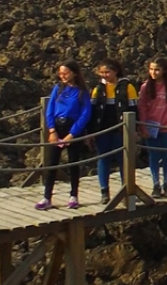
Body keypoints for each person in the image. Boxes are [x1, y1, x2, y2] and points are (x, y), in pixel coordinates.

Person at [35, 61, 92, 210]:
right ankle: (47, 197)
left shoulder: (82, 92)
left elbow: (85, 114)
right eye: (60, 73)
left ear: (74, 73)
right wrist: (52, 130)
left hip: (73, 128)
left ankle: (74, 195)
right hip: (58, 127)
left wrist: (72, 134)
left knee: (73, 163)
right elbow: (50, 110)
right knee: (52, 163)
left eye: (65, 73)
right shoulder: (58, 89)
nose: (63, 76)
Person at [89, 59, 139, 205]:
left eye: (107, 72)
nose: (104, 75)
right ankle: (104, 191)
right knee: (103, 159)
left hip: (121, 129)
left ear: (115, 71)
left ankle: (127, 190)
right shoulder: (98, 89)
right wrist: (90, 132)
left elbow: (134, 110)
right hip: (102, 129)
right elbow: (93, 111)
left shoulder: (128, 87)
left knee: (123, 159)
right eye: (102, 72)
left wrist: (135, 129)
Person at [137, 58, 167, 198]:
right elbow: (142, 107)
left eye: (156, 69)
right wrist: (143, 126)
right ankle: (156, 184)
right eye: (151, 69)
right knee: (153, 156)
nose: (153, 72)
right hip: (152, 127)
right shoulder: (146, 87)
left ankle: (166, 183)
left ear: (164, 70)